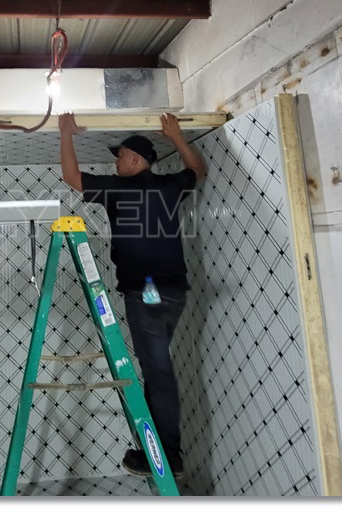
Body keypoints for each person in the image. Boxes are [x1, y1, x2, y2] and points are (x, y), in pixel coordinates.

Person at [58, 112, 206, 478]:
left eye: (121, 155)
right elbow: (198, 169)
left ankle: (167, 456)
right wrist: (176, 137)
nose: (116, 160)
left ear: (137, 160)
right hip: (174, 291)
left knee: (158, 372)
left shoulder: (118, 188)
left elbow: (72, 178)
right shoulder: (170, 186)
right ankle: (157, 448)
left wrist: (65, 133)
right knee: (157, 369)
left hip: (149, 292)